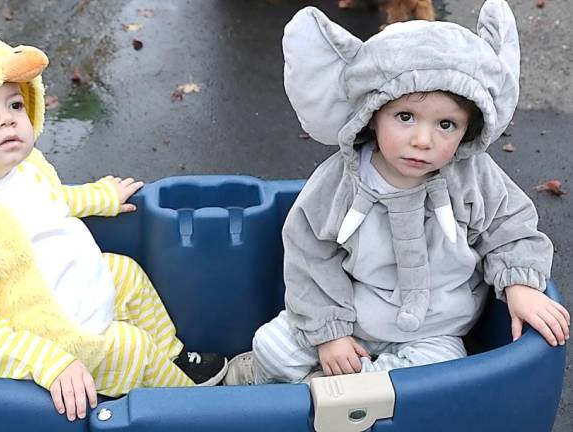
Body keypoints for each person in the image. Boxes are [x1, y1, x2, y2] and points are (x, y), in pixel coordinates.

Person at [0, 12, 227, 421]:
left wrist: (101, 197)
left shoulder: (22, 169)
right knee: (130, 349)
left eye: (15, 103)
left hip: (67, 291)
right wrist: (51, 363)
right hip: (43, 337)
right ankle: (194, 408)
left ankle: (175, 358)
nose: (7, 118)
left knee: (125, 274)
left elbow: (53, 200)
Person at [224, 0, 569, 385]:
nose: (423, 140)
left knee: (441, 373)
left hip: (435, 329)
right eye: (405, 117)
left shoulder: (473, 177)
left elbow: (511, 227)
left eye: (446, 124)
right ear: (373, 114)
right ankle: (262, 376)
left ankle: (334, 392)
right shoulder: (341, 182)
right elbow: (310, 255)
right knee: (272, 345)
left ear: (469, 128)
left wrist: (520, 283)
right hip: (351, 315)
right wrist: (330, 332)